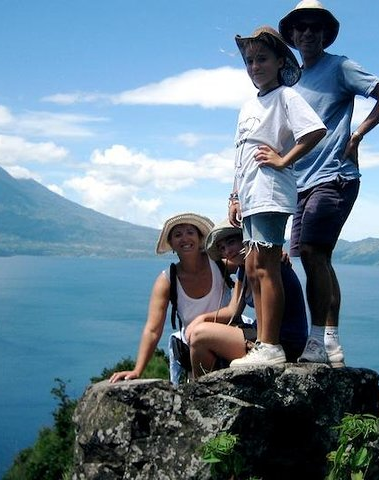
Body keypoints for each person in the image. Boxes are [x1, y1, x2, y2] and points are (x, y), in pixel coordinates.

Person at [278, 1, 379, 366]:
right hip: (302, 181)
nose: (308, 33)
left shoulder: (340, 66)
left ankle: (320, 340)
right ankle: (328, 341)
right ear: (293, 34)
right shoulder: (293, 78)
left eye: (315, 27)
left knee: (315, 254)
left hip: (335, 176)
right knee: (314, 258)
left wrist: (357, 134)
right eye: (301, 27)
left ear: (325, 33)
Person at [228, 26, 326, 367]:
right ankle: (263, 342)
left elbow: (314, 130)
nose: (255, 66)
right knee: (253, 266)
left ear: (281, 61)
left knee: (267, 266)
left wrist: (284, 159)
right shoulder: (248, 106)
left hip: (270, 191)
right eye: (250, 60)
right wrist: (235, 195)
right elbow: (240, 153)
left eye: (262, 59)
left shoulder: (286, 96)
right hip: (252, 194)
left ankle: (271, 345)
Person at [109, 213, 231, 384]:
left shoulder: (220, 264)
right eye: (178, 235)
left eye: (190, 232)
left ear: (200, 238)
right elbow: (153, 329)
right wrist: (138, 370)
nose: (185, 238)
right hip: (196, 347)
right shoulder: (167, 280)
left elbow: (252, 266)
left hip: (228, 337)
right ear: (172, 244)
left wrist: (277, 258)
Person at [185, 220, 308, 377]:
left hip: (284, 341)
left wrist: (200, 325)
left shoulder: (269, 264)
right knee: (201, 330)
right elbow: (232, 311)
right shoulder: (244, 270)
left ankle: (200, 390)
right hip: (262, 336)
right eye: (222, 248)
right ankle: (209, 387)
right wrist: (202, 318)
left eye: (231, 242)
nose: (227, 251)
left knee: (199, 335)